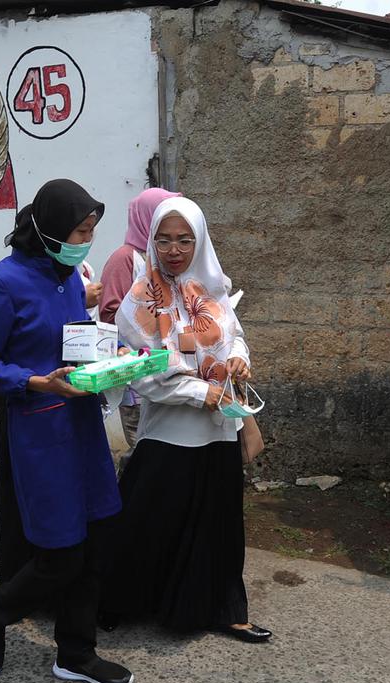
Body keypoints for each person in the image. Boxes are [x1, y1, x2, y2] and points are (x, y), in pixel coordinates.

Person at [0, 179, 133, 683]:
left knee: (98, 539)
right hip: (40, 431)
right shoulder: (2, 282)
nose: (87, 240)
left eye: (91, 231)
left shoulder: (67, 280)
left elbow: (74, 345)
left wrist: (113, 360)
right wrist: (36, 381)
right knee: (60, 554)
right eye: (81, 230)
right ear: (51, 228)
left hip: (82, 424)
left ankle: (76, 653)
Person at [103, 196, 271, 643]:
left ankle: (224, 609)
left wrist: (237, 361)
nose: (174, 249)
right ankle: (115, 601)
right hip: (171, 434)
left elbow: (235, 338)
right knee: (149, 522)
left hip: (219, 431)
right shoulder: (138, 303)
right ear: (151, 241)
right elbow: (149, 375)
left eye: (184, 239)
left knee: (219, 525)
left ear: (199, 242)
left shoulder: (211, 290)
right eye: (164, 239)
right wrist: (205, 393)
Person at [98, 188, 179, 463]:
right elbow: (109, 315)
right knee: (145, 451)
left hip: (167, 369)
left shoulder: (164, 258)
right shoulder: (125, 258)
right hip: (135, 373)